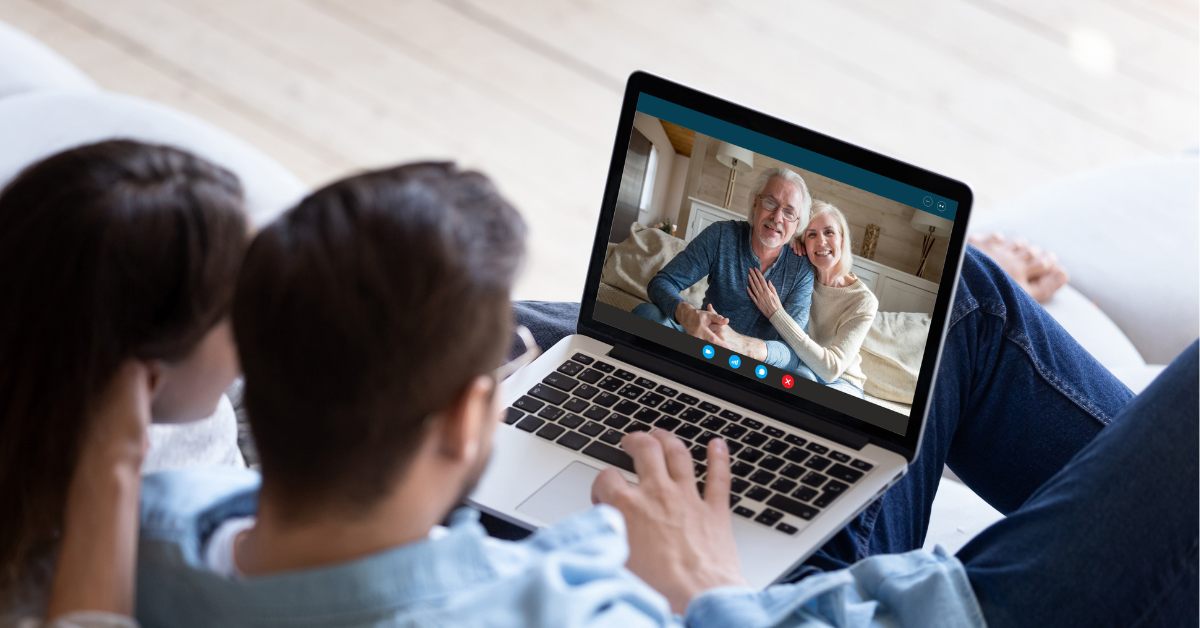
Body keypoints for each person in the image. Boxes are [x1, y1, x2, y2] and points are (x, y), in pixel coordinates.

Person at [136, 160, 1196, 627]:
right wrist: (701, 590)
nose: (782, 225)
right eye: (775, 211)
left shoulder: (153, 530)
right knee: (968, 302)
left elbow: (787, 347)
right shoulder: (553, 607)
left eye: (795, 218)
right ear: (468, 417)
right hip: (893, 609)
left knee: (587, 339)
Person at [0, 141, 249, 627]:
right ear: (147, 378)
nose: (261, 320)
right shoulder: (33, 585)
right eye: (238, 310)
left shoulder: (196, 409)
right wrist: (113, 467)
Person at [632, 168, 815, 370]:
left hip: (753, 367)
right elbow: (661, 283)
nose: (777, 217)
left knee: (803, 375)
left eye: (789, 212)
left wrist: (744, 345)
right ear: (756, 203)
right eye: (770, 202)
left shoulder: (802, 269)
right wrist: (687, 314)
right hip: (703, 346)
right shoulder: (722, 235)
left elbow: (795, 352)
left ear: (797, 224)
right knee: (646, 314)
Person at [746, 201, 877, 398]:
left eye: (829, 232)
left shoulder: (863, 300)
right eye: (812, 234)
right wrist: (789, 245)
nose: (821, 241)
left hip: (842, 381)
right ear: (804, 243)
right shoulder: (800, 277)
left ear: (842, 239)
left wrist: (776, 314)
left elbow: (831, 370)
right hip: (802, 369)